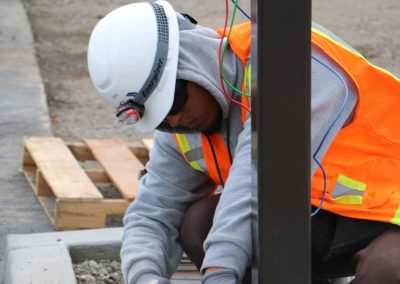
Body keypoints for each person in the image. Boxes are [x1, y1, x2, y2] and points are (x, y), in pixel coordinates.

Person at [87, 1, 400, 283]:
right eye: (160, 119)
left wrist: (220, 271)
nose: (175, 121)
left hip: (389, 218)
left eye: (173, 103)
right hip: (325, 219)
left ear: (190, 61)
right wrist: (145, 276)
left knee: (387, 269)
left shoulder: (291, 59)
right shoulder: (182, 127)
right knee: (199, 224)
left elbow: (261, 174)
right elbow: (154, 208)